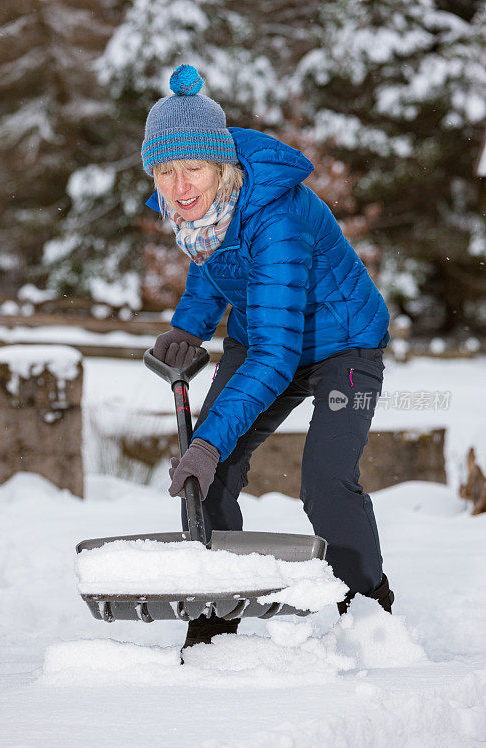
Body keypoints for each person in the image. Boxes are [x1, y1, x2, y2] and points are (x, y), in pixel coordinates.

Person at [142, 64, 394, 652]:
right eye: (166, 170)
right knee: (214, 475)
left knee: (325, 482)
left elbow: (278, 357)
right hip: (264, 337)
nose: (180, 187)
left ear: (221, 166)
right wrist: (187, 328)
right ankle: (217, 611)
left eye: (193, 168)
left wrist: (205, 442)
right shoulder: (204, 214)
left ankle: (371, 610)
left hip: (343, 345)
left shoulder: (275, 215)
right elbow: (216, 272)